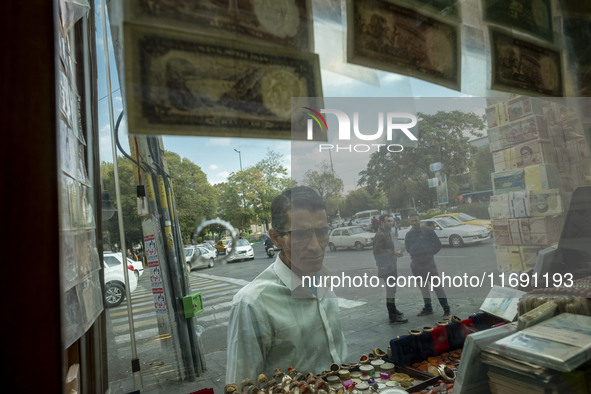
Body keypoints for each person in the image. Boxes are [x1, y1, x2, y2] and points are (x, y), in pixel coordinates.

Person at [226, 186, 347, 384]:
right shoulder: (252, 304)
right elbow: (241, 385)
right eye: (302, 235)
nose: (316, 245)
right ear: (276, 238)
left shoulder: (324, 280)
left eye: (322, 231)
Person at [404, 212, 451, 317]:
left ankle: (446, 308)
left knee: (437, 287)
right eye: (412, 221)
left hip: (429, 263)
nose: (415, 222)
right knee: (423, 288)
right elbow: (407, 248)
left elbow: (438, 245)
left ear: (419, 220)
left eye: (416, 220)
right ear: (410, 222)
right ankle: (428, 308)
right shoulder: (409, 235)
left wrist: (429, 254)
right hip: (416, 265)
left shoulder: (428, 231)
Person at [373, 214, 407, 324]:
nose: (391, 223)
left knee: (392, 290)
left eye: (391, 221)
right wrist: (393, 252)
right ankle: (392, 316)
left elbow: (385, 249)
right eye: (388, 221)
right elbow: (377, 252)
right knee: (390, 291)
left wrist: (394, 252)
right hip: (386, 267)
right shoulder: (381, 234)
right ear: (382, 222)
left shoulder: (386, 233)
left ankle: (394, 310)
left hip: (390, 265)